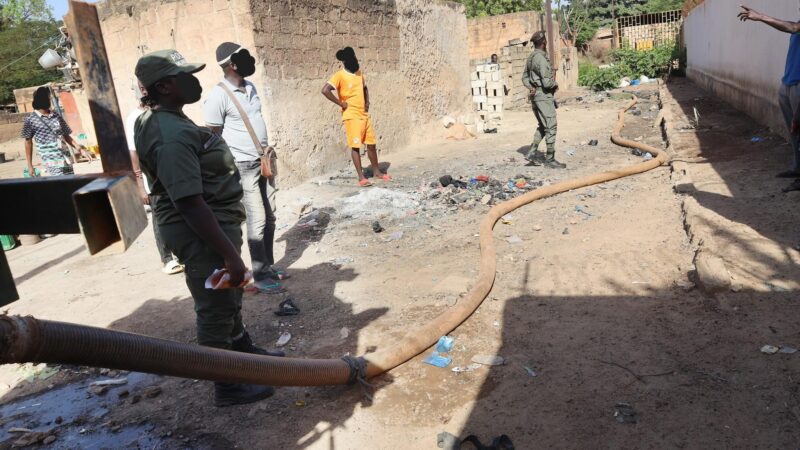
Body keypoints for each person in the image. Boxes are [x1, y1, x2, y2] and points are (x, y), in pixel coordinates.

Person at [134, 49, 282, 408]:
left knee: (227, 295)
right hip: (199, 232)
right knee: (215, 307)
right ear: (166, 86)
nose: (195, 79)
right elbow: (188, 201)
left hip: (210, 225)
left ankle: (243, 354)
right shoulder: (169, 134)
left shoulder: (166, 120)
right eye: (186, 75)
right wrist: (231, 255)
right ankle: (228, 386)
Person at [203, 42, 287, 292]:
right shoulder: (218, 96)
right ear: (231, 65)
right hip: (243, 166)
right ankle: (260, 275)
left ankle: (269, 266)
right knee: (257, 220)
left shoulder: (250, 87)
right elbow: (213, 138)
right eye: (243, 58)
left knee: (270, 217)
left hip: (262, 162)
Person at [739, 5, 800, 192]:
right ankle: (797, 169)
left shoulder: (796, 28)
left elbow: (792, 27)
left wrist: (761, 17)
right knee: (794, 133)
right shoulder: (797, 27)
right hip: (788, 83)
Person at [124, 84, 184, 275]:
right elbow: (133, 154)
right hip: (152, 180)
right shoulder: (134, 118)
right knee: (161, 218)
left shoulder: (162, 113)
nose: (144, 91)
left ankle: (182, 254)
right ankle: (166, 258)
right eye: (141, 88)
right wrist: (141, 186)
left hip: (171, 175)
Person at [322, 46, 392, 187]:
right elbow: (325, 90)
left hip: (363, 114)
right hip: (351, 115)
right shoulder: (339, 75)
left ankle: (377, 172)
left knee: (371, 144)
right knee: (356, 146)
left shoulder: (359, 74)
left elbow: (364, 88)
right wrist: (341, 103)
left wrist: (367, 102)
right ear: (345, 61)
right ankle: (361, 177)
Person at [21, 86, 93, 177]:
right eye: (48, 98)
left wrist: (81, 150)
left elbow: (66, 135)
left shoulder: (56, 115)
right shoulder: (31, 119)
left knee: (70, 180)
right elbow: (28, 142)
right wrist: (29, 165)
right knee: (61, 183)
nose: (49, 100)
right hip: (50, 160)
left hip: (65, 157)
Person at [522, 31, 565, 169]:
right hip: (544, 97)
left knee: (542, 125)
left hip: (536, 97)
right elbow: (547, 83)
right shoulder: (540, 58)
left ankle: (532, 152)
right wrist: (555, 84)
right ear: (544, 43)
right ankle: (550, 159)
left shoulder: (530, 58)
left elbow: (524, 77)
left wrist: (531, 87)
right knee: (551, 127)